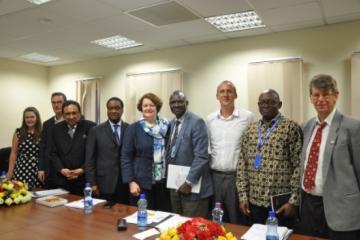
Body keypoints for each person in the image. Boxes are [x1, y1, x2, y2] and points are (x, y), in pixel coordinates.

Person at [296, 74, 360, 240]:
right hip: (309, 207)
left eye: (326, 94)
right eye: (316, 95)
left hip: (342, 210)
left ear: (336, 95)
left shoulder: (353, 127)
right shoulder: (305, 127)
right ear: (310, 98)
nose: (321, 99)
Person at [236, 89, 302, 227]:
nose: (266, 105)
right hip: (254, 202)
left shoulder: (291, 127)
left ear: (280, 104)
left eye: (271, 102)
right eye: (263, 102)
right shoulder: (250, 130)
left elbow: (299, 166)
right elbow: (242, 165)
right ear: (258, 105)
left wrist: (293, 201)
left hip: (280, 203)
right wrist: (243, 196)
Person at [207, 81, 254, 223]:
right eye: (222, 91)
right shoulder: (210, 119)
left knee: (236, 219)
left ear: (235, 95)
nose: (225, 94)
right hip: (214, 176)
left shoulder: (247, 117)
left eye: (229, 91)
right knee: (216, 219)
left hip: (236, 178)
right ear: (217, 96)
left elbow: (251, 147)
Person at [166, 90, 213, 218]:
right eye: (173, 102)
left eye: (180, 101)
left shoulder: (197, 122)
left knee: (193, 229)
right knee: (177, 225)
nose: (176, 105)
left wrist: (188, 182)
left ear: (186, 103)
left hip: (193, 188)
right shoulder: (172, 123)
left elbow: (202, 156)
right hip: (175, 186)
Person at [121, 93, 170, 210]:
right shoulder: (133, 128)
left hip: (163, 183)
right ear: (141, 108)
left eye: (152, 105)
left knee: (163, 218)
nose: (148, 108)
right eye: (145, 105)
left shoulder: (167, 126)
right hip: (141, 183)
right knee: (143, 217)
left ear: (157, 107)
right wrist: (131, 181)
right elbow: (125, 157)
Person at [85, 97, 130, 204]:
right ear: (107, 110)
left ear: (122, 110)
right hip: (103, 182)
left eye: (117, 108)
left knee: (124, 212)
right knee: (103, 216)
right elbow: (89, 159)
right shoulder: (96, 130)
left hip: (125, 183)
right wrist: (92, 183)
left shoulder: (130, 128)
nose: (114, 111)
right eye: (110, 108)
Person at [50, 100, 96, 195]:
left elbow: (95, 152)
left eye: (74, 113)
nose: (71, 117)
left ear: (80, 113)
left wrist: (82, 169)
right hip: (62, 179)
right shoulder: (55, 129)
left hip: (84, 180)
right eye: (67, 114)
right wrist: (62, 169)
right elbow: (52, 153)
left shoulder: (91, 127)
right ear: (63, 115)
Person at [7, 107, 43, 190]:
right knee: (20, 192)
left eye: (32, 117)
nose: (29, 119)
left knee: (37, 193)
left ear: (37, 118)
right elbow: (14, 152)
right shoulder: (18, 132)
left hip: (38, 168)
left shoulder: (43, 132)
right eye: (27, 117)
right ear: (24, 119)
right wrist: (10, 171)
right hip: (21, 168)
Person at [38, 92, 66, 189]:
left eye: (59, 102)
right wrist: (41, 168)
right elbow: (42, 147)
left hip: (67, 171)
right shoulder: (47, 124)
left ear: (65, 103)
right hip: (50, 171)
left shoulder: (72, 121)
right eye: (53, 102)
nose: (56, 105)